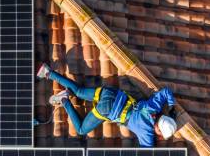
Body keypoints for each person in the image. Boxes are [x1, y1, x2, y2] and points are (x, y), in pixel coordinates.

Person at [36, 63, 177, 147]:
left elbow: (166, 92)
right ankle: (65, 100)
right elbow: (148, 155)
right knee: (80, 129)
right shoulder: (147, 132)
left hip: (112, 93)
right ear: (158, 129)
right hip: (107, 109)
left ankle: (47, 72)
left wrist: (172, 107)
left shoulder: (153, 107)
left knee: (79, 91)